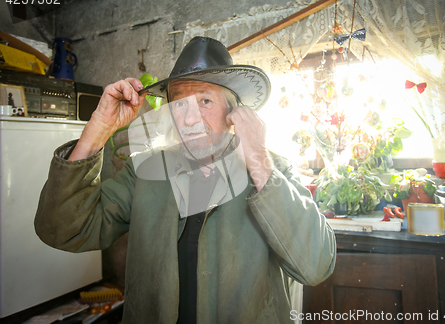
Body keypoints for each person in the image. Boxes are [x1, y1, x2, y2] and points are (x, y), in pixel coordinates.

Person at [35, 36, 336, 324]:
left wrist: (257, 158)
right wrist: (99, 128)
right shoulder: (145, 172)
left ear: (235, 113)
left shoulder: (272, 170)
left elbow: (316, 266)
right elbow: (63, 229)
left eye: (205, 101)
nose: (189, 118)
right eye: (179, 104)